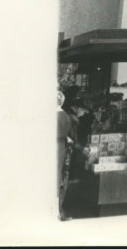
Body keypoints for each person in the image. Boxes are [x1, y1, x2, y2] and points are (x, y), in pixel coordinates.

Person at [57, 90, 75, 220]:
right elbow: (72, 136)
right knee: (60, 177)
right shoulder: (66, 117)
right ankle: (59, 210)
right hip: (61, 147)